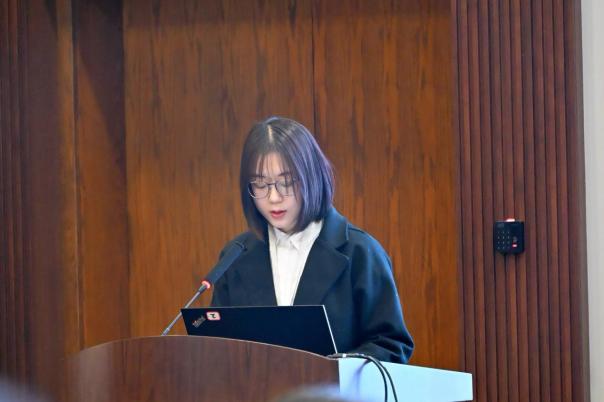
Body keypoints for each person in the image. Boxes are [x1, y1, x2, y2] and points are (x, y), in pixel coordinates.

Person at [211, 116, 414, 363]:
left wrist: (336, 370)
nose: (274, 197)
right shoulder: (235, 256)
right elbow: (217, 347)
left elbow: (391, 345)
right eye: (261, 184)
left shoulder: (360, 252)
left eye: (286, 182)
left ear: (312, 176)